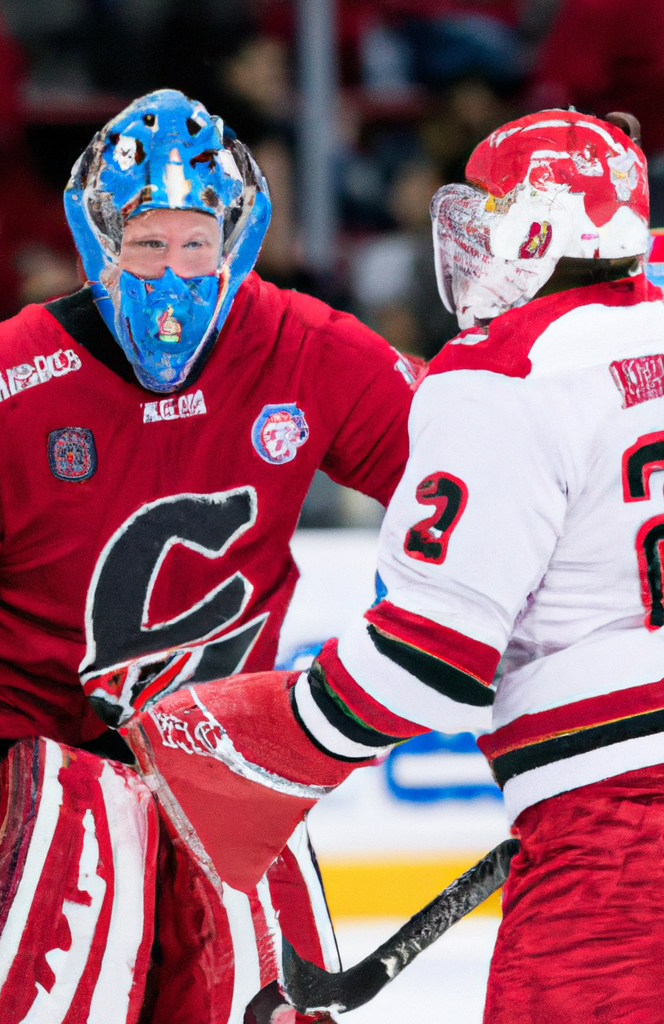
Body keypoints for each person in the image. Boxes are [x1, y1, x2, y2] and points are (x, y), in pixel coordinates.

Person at [0, 88, 419, 1024]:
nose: (173, 275)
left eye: (196, 244)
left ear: (238, 240)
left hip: (213, 769)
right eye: (147, 244)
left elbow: (471, 478)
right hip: (19, 783)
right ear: (96, 240)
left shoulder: (305, 348)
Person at [127, 109, 664, 1022]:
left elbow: (427, 664)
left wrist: (244, 735)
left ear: (536, 229)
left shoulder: (501, 372)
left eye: (491, 214)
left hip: (616, 835)